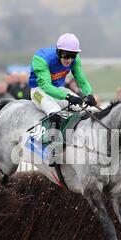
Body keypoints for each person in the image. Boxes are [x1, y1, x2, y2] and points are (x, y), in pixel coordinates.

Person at [28, 33, 96, 166]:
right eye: (66, 55)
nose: (69, 59)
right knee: (55, 111)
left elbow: (81, 80)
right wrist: (68, 97)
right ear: (58, 52)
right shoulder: (41, 58)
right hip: (39, 90)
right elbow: (46, 86)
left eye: (73, 55)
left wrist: (88, 94)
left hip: (58, 89)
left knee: (85, 108)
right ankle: (52, 149)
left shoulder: (75, 60)